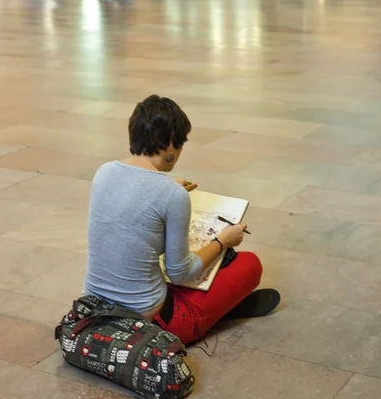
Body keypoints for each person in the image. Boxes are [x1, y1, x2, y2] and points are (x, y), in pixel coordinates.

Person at [84, 95, 281, 346]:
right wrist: (223, 241)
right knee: (249, 264)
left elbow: (133, 202)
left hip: (96, 309)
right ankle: (214, 314)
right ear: (169, 141)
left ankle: (217, 306)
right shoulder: (171, 195)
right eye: (180, 144)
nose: (179, 152)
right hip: (150, 320)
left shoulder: (105, 172)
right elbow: (180, 273)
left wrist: (167, 193)